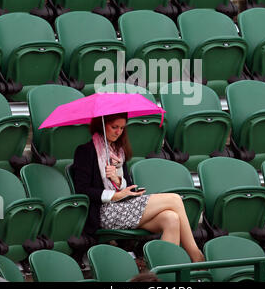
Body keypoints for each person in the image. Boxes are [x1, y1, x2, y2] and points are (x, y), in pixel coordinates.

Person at [73, 112, 204, 263]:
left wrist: (117, 178)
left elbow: (127, 187)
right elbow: (81, 190)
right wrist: (114, 195)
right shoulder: (85, 151)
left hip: (124, 207)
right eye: (114, 127)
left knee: (171, 218)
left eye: (122, 128)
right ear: (101, 126)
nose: (118, 132)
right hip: (104, 212)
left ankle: (163, 273)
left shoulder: (118, 151)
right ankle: (196, 256)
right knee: (174, 199)